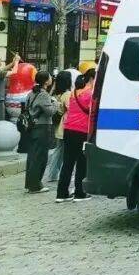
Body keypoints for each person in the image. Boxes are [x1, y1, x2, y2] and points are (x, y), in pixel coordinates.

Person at [56, 70, 94, 202]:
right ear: (91, 79)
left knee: (67, 162)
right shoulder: (90, 94)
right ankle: (79, 193)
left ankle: (61, 194)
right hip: (82, 131)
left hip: (68, 129)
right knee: (82, 162)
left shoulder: (73, 92)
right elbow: (93, 112)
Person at [23, 71, 57, 194]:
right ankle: (36, 185)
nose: (51, 79)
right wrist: (55, 103)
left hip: (32, 127)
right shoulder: (43, 95)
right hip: (42, 127)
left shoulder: (31, 93)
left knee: (32, 156)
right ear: (46, 81)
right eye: (49, 77)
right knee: (40, 157)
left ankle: (30, 184)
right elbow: (50, 112)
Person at [44, 70, 74, 183]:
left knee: (59, 150)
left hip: (59, 125)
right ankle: (53, 174)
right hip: (65, 125)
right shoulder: (68, 94)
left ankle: (53, 174)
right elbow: (69, 109)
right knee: (61, 151)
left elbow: (59, 110)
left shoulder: (57, 94)